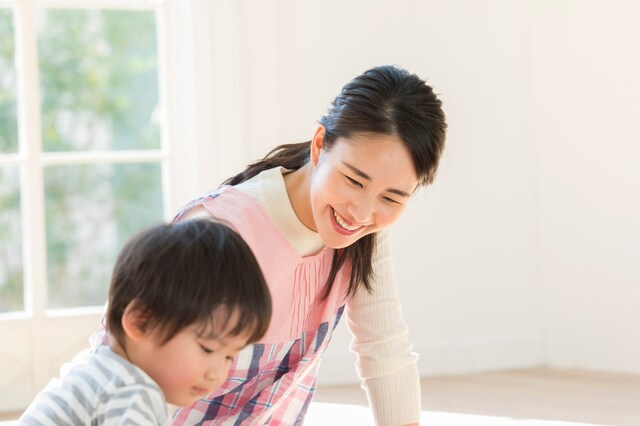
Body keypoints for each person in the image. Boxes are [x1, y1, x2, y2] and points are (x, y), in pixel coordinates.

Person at [172, 65, 447, 425]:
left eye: (391, 198)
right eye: (353, 180)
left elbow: (385, 351)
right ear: (320, 145)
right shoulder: (219, 232)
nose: (362, 212)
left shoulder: (363, 234)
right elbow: (140, 376)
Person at [19, 220, 272, 426]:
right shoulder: (133, 393)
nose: (216, 373)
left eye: (229, 357)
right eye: (207, 348)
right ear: (141, 322)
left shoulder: (99, 366)